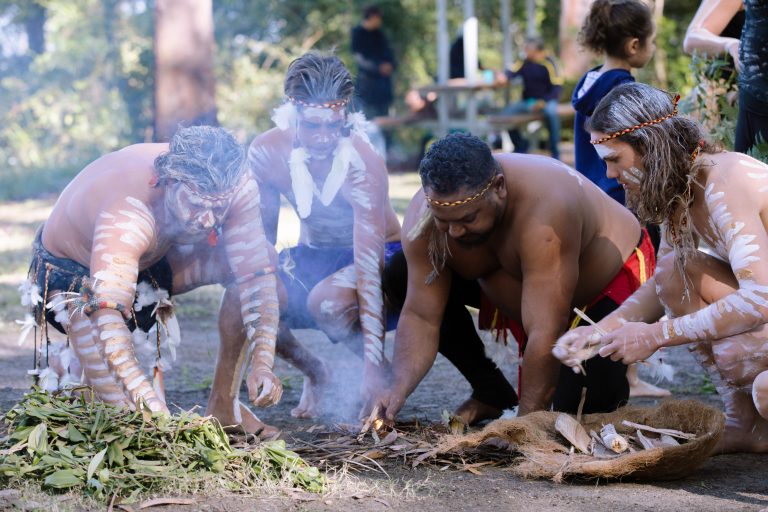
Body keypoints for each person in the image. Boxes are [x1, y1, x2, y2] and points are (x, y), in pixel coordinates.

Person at [367, 133, 655, 423]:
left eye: (468, 219)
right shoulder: (426, 219)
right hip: (517, 290)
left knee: (577, 415)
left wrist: (523, 425)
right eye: (444, 221)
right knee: (400, 272)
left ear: (499, 188)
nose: (454, 232)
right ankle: (491, 392)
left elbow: (545, 329)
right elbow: (421, 316)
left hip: (599, 289)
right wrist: (397, 390)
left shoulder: (547, 208)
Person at [23, 126, 282, 437]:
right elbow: (105, 310)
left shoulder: (235, 185)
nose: (208, 221)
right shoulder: (128, 210)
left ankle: (225, 404)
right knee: (126, 417)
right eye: (198, 206)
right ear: (169, 183)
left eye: (218, 210)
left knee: (263, 257)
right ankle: (78, 375)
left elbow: (256, 275)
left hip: (154, 258)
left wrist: (263, 363)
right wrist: (145, 398)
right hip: (77, 279)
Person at [553, 82, 768, 454]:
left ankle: (754, 410)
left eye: (614, 159)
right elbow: (664, 284)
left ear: (650, 146)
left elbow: (761, 299)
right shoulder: (681, 191)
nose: (608, 175)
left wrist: (655, 335)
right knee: (675, 273)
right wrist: (600, 331)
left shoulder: (725, 181)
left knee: (765, 388)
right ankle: (744, 423)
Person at [229, 53, 401, 419]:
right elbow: (264, 242)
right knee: (249, 294)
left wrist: (372, 362)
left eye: (333, 126)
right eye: (311, 127)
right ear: (292, 115)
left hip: (379, 254)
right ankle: (317, 372)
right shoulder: (267, 152)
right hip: (313, 254)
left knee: (326, 301)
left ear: (345, 118)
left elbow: (369, 266)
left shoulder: (363, 161)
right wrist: (258, 288)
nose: (323, 138)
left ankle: (381, 372)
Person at [572, 0, 655, 205]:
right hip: (621, 194)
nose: (653, 47)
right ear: (634, 45)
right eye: (652, 41)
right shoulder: (623, 89)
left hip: (591, 191)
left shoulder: (590, 82)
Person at [501, 37, 563, 160]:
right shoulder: (524, 62)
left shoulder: (549, 63)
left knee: (551, 114)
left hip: (547, 101)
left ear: (536, 50)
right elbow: (511, 73)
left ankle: (555, 151)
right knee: (506, 115)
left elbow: (557, 87)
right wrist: (502, 76)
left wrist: (543, 102)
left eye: (528, 48)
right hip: (528, 101)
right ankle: (521, 145)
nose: (525, 50)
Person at [351, 5, 396, 119]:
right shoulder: (358, 33)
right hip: (368, 87)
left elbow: (389, 54)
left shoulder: (379, 34)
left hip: (383, 88)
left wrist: (390, 65)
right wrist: (378, 67)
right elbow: (360, 59)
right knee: (369, 122)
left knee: (385, 120)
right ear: (372, 17)